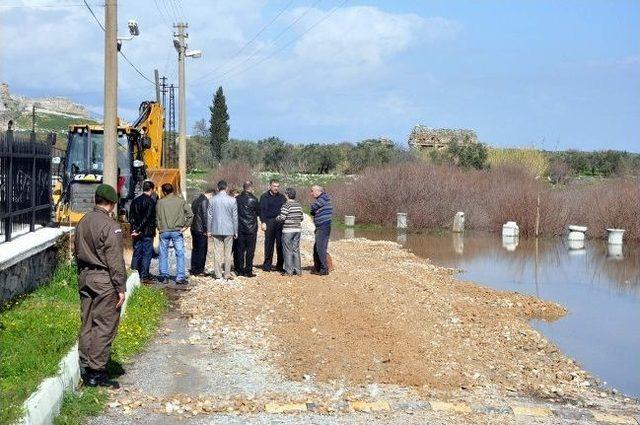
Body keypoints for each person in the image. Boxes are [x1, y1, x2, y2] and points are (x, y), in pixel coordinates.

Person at [74, 184, 126, 387]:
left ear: (95, 200)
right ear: (112, 203)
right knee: (104, 324)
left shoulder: (83, 221)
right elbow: (115, 259)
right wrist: (120, 287)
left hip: (85, 276)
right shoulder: (109, 225)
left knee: (87, 322)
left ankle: (85, 366)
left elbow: (76, 249)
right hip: (104, 279)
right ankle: (97, 372)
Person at [156, 183, 193, 285]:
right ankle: (180, 277)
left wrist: (159, 227)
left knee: (163, 253)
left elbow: (157, 217)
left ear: (164, 192)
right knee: (180, 253)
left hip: (164, 231)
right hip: (177, 231)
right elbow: (190, 214)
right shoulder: (180, 201)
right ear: (173, 190)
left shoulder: (160, 202)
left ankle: (164, 276)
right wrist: (185, 227)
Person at [207, 180, 238, 280]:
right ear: (227, 188)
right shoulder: (232, 200)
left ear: (217, 188)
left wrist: (209, 230)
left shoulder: (212, 200)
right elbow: (235, 217)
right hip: (229, 229)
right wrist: (236, 231)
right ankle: (227, 273)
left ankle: (218, 274)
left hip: (215, 229)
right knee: (228, 253)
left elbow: (209, 216)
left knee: (217, 252)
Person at [129, 180, 156, 284]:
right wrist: (139, 229)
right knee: (146, 254)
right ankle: (144, 276)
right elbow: (147, 217)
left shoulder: (135, 201)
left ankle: (133, 275)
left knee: (136, 253)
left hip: (136, 232)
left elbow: (130, 217)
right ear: (152, 189)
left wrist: (134, 229)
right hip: (146, 232)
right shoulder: (150, 201)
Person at [259, 179, 286, 271]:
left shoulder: (282, 197)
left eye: (278, 186)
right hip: (269, 222)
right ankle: (267, 265)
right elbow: (261, 211)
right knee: (269, 244)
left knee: (280, 244)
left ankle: (280, 265)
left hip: (280, 222)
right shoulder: (264, 197)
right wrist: (263, 222)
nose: (276, 188)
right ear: (270, 186)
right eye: (274, 186)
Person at [234, 181, 260, 277]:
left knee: (240, 250)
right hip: (251, 228)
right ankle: (248, 270)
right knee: (250, 250)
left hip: (240, 228)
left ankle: (240, 270)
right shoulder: (254, 199)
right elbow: (258, 213)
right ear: (250, 188)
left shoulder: (236, 199)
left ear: (243, 187)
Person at [276, 188, 304, 276]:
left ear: (287, 195)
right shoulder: (299, 205)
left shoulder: (286, 205)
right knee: (296, 249)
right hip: (297, 230)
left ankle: (289, 271)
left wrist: (277, 218)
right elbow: (302, 218)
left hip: (288, 230)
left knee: (287, 250)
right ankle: (298, 270)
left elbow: (282, 217)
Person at [190, 187, 215, 276]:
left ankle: (194, 268)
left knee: (195, 249)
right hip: (201, 229)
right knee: (202, 250)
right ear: (211, 195)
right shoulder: (205, 201)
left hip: (194, 227)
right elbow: (205, 216)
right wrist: (207, 229)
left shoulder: (196, 200)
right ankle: (199, 270)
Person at [310, 185, 333, 275]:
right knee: (317, 248)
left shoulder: (323, 198)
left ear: (318, 191)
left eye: (312, 191)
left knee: (320, 248)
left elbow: (312, 207)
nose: (311, 193)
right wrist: (315, 211)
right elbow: (312, 211)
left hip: (323, 226)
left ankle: (324, 269)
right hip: (321, 226)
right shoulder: (322, 199)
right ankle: (318, 267)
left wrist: (315, 210)